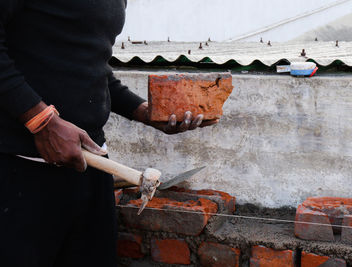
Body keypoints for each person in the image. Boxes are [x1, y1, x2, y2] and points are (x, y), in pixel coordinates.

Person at [0, 1, 217, 266]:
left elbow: (93, 67)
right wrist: (41, 121)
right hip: (19, 170)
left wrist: (144, 112)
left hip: (92, 168)